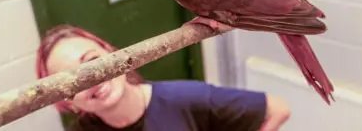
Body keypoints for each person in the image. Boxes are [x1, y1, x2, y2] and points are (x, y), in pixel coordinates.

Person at [36, 24, 291, 131]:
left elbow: (277, 109)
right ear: (66, 100)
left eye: (92, 62)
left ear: (115, 56)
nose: (90, 80)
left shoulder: (186, 98)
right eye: (70, 81)